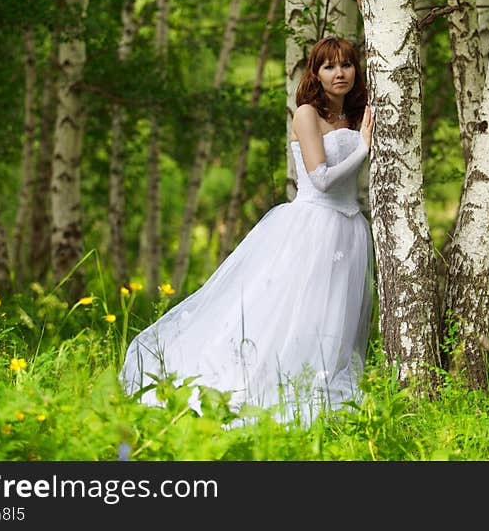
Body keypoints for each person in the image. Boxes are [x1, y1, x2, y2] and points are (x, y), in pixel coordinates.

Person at [120, 36, 375, 427]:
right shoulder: (306, 114)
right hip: (311, 226)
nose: (339, 73)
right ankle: (260, 382)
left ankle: (322, 379)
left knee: (332, 318)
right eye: (328, 66)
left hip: (350, 229)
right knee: (286, 312)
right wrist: (363, 149)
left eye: (346, 65)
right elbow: (321, 179)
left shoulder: (356, 116)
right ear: (316, 74)